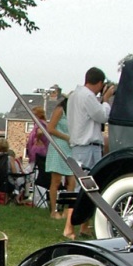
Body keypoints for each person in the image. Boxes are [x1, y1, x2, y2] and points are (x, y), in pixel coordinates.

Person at [64, 68, 116, 238]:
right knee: (83, 187)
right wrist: (106, 100)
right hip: (87, 146)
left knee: (89, 187)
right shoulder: (87, 96)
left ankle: (83, 226)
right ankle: (69, 227)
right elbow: (101, 116)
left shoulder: (75, 95)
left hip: (82, 145)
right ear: (100, 83)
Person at [44, 85, 75, 219]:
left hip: (71, 148)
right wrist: (66, 137)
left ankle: (69, 211)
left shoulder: (75, 113)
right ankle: (53, 210)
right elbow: (50, 128)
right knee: (56, 181)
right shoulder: (60, 110)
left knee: (72, 179)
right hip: (58, 146)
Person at [26, 104, 49, 202]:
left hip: (38, 154)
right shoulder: (43, 123)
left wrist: (38, 139)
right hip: (39, 154)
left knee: (35, 175)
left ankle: (37, 199)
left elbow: (40, 132)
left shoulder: (40, 124)